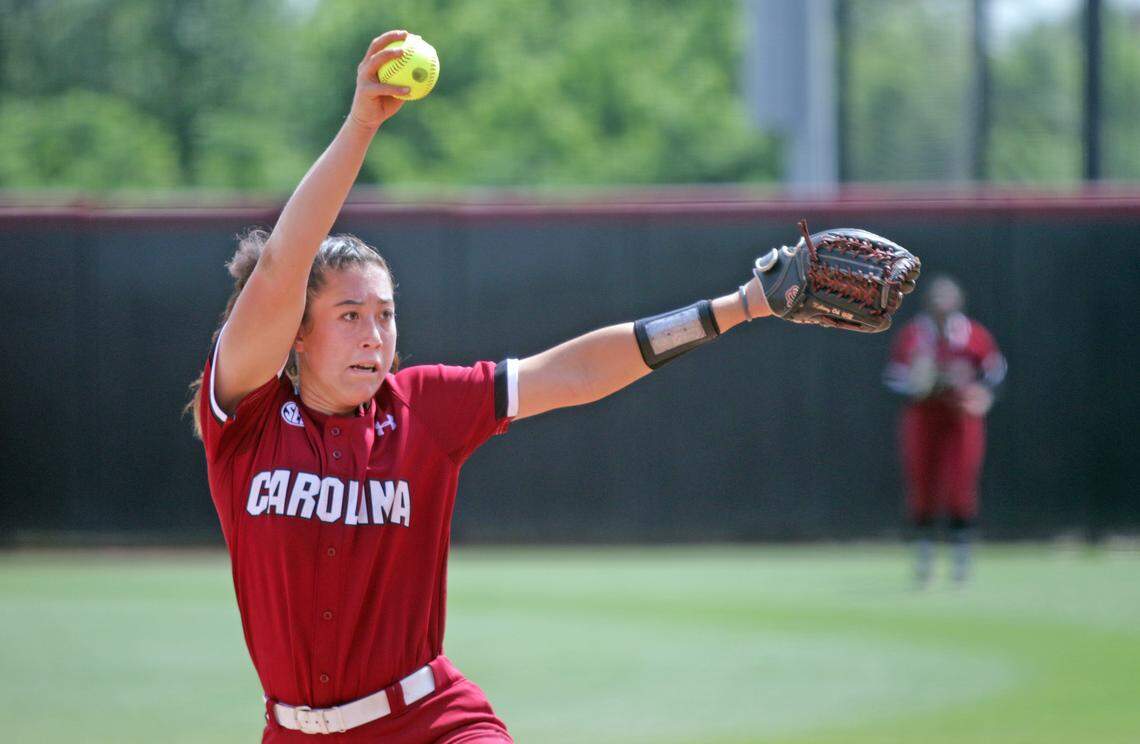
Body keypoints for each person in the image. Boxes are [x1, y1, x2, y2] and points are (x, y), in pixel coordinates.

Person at [187, 31, 914, 742]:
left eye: (386, 313)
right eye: (350, 315)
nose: (375, 333)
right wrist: (360, 126)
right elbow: (283, 266)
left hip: (430, 723)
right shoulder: (246, 421)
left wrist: (739, 306)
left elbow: (568, 371)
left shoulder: (423, 408)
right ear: (298, 334)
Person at [883, 275, 1007, 587]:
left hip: (960, 418)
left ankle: (960, 559)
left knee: (960, 484)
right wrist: (919, 382)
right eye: (937, 298)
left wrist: (982, 395)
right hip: (924, 416)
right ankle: (924, 558)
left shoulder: (973, 336)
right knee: (922, 485)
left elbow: (994, 374)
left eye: (947, 298)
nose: (942, 304)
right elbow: (895, 378)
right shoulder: (914, 336)